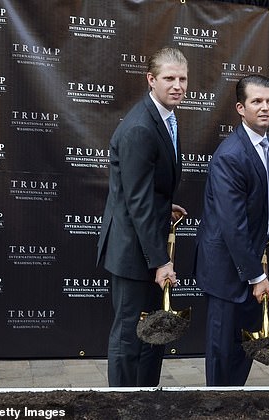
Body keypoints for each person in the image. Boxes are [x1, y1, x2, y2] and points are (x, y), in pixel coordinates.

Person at [96, 47, 188, 387]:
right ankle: (121, 404)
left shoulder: (164, 117)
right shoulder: (139, 127)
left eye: (182, 79)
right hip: (132, 252)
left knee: (153, 333)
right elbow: (137, 202)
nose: (177, 86)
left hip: (145, 245)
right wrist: (161, 260)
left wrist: (165, 207)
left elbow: (147, 192)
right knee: (128, 336)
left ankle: (146, 397)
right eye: (169, 79)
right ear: (151, 80)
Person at [195, 74, 269, 386]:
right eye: (257, 101)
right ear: (241, 108)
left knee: (243, 346)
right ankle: (216, 406)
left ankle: (234, 401)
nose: (265, 107)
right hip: (227, 270)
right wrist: (257, 276)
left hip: (250, 261)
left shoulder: (265, 145)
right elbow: (234, 225)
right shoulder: (232, 155)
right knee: (222, 350)